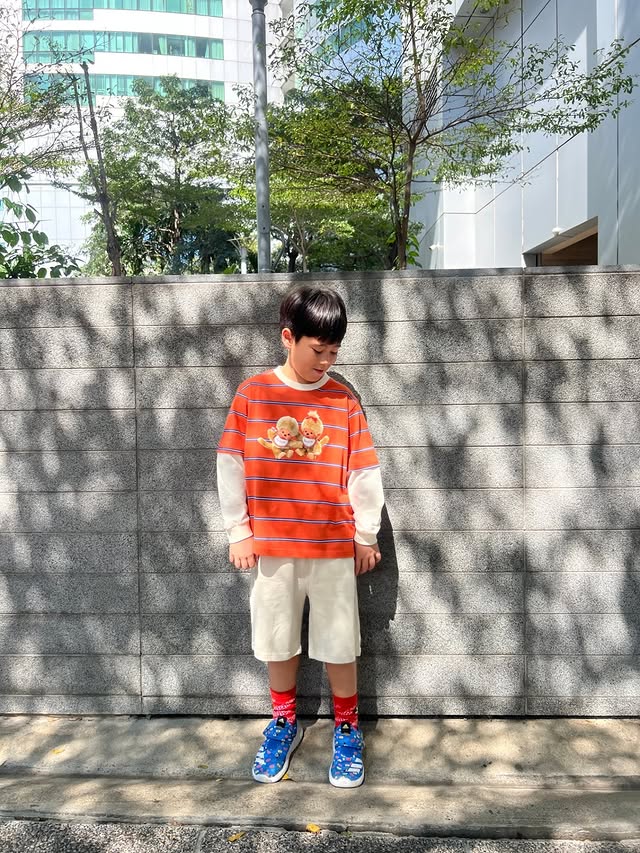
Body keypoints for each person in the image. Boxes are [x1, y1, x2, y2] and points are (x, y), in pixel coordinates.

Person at [216, 284, 385, 788]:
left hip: (332, 545)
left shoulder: (342, 400)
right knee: (277, 637)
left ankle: (347, 728)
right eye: (318, 350)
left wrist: (366, 533)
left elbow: (363, 470)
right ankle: (283, 722)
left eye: (334, 352)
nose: (326, 362)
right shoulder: (253, 394)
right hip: (272, 545)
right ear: (288, 338)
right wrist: (238, 531)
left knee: (340, 641)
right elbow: (231, 463)